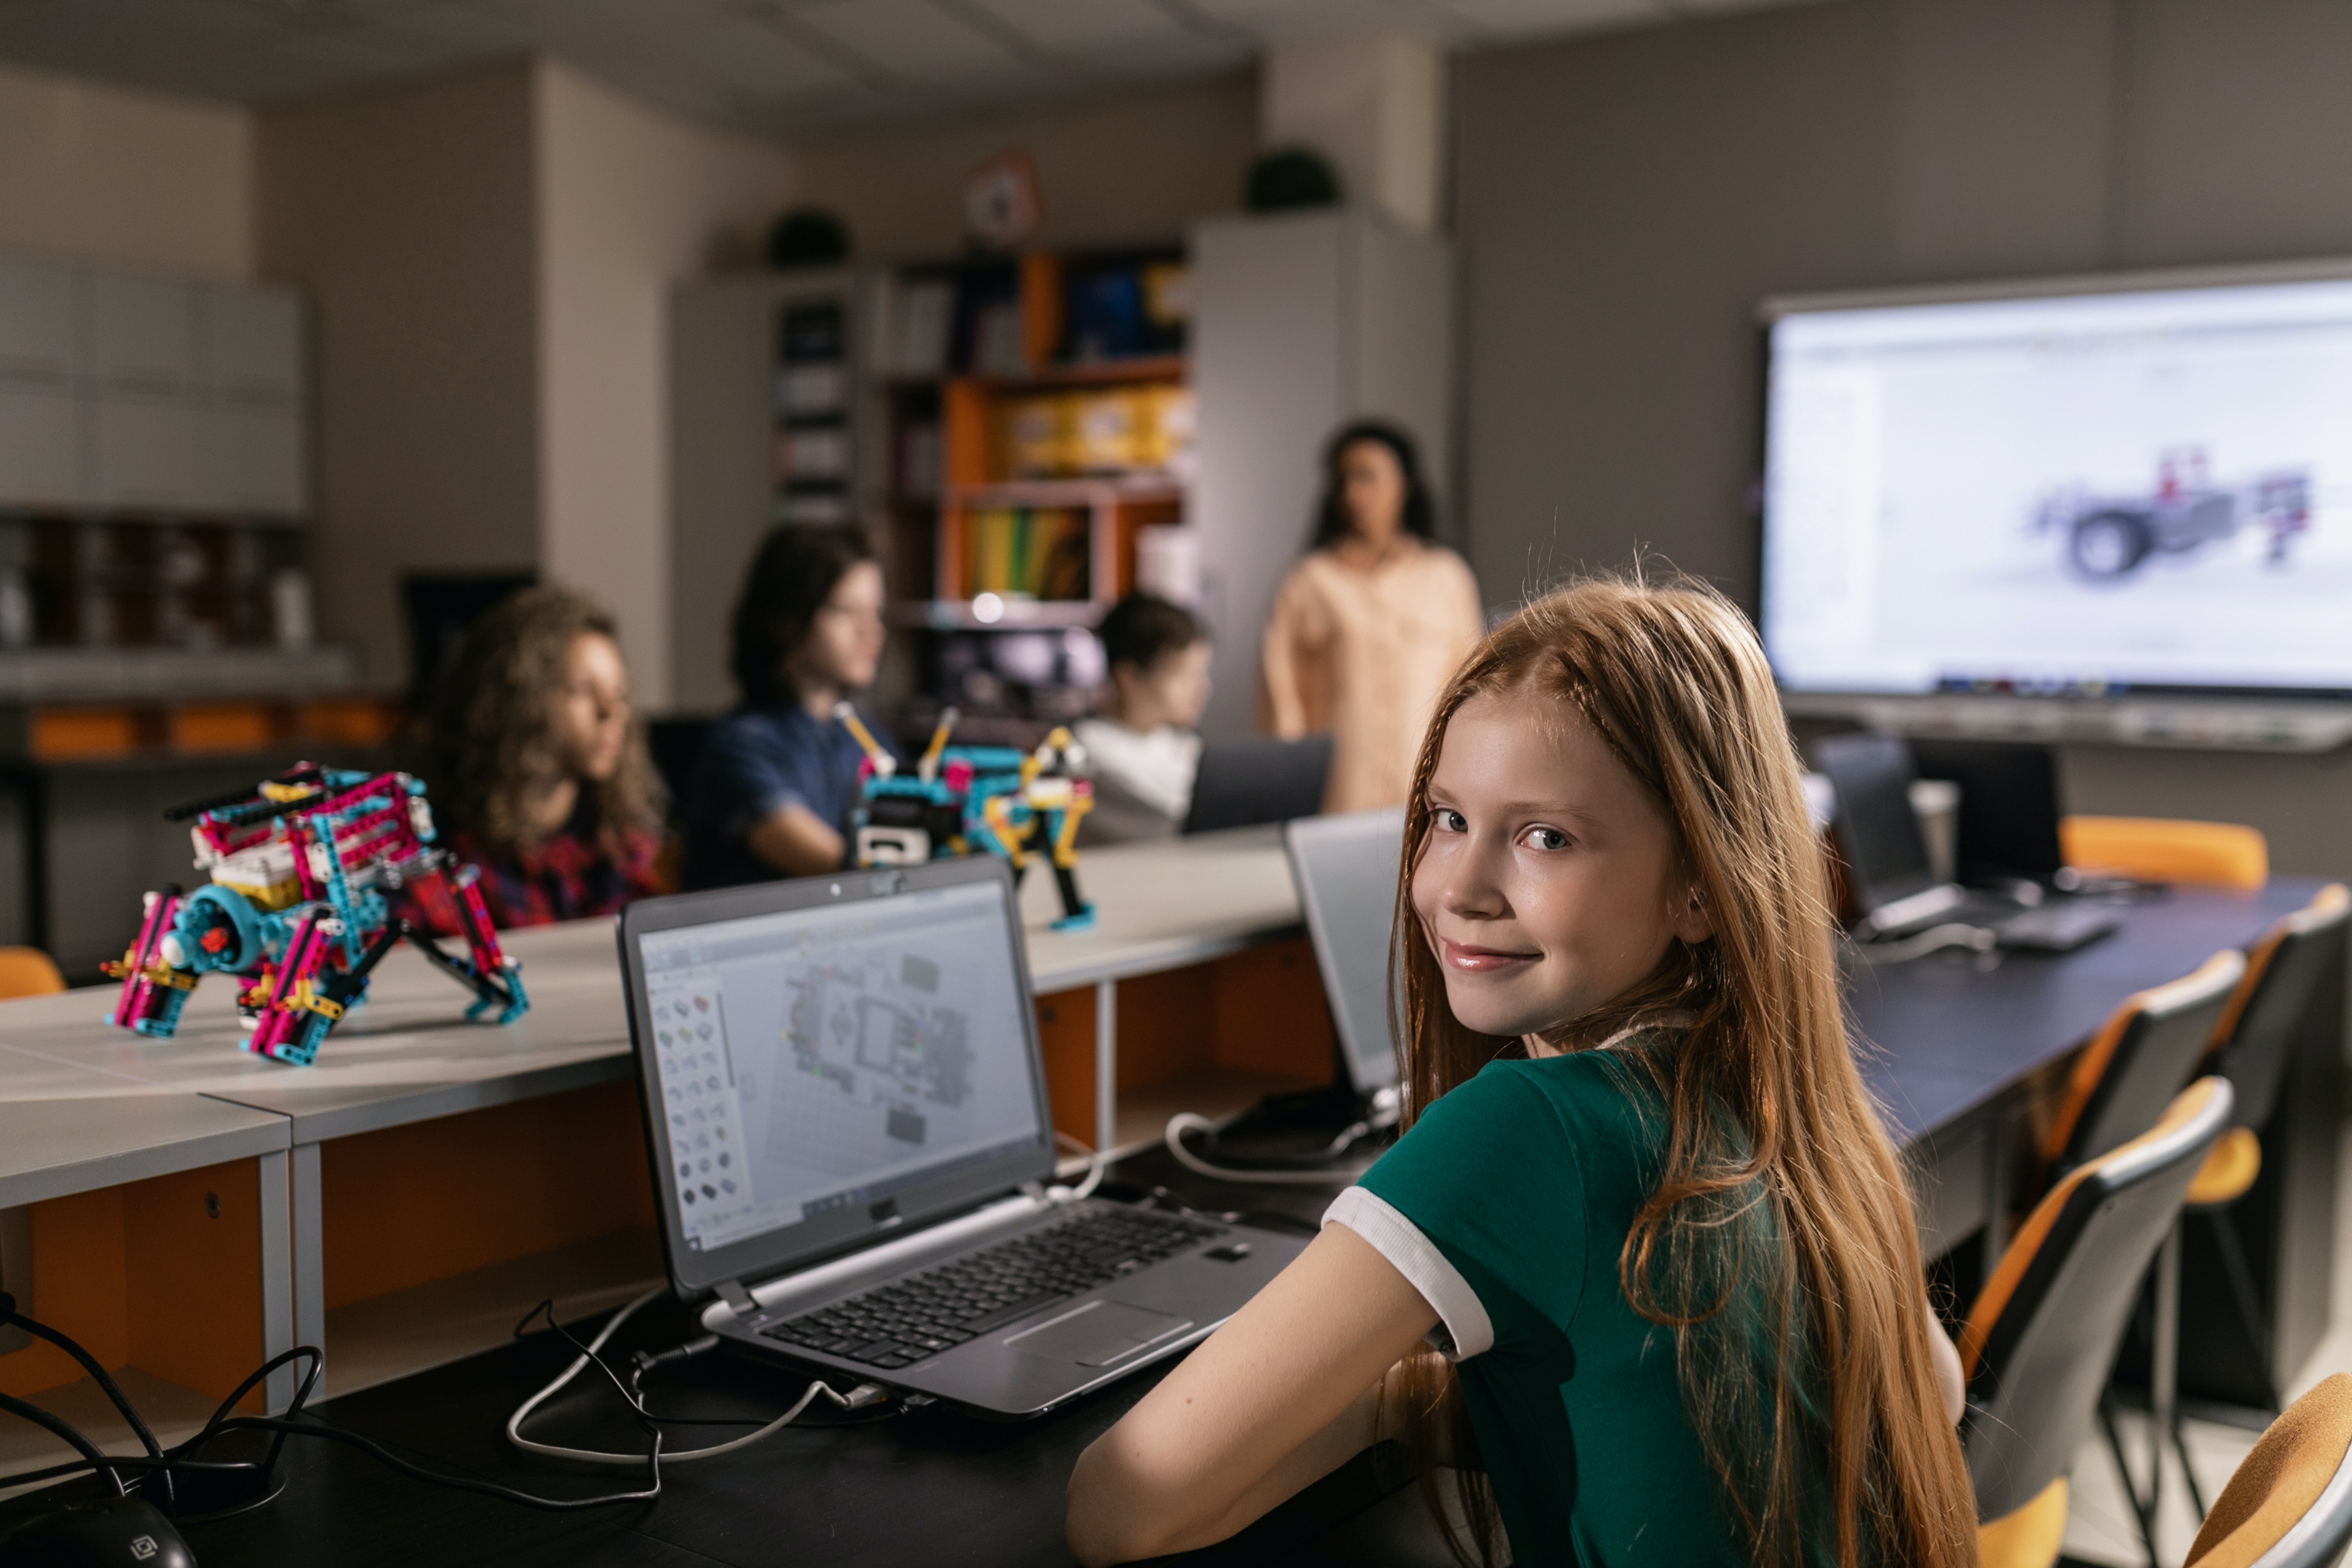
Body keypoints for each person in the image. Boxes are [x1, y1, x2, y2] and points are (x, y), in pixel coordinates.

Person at [1066, 576, 1975, 1568]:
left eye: (1546, 837)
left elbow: (1124, 1505)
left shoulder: (1529, 1126)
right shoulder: (1798, 1114)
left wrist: (1407, 1397)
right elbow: (1937, 1387)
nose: (1459, 887)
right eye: (1447, 817)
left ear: (1702, 889)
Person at [1260, 421, 1486, 814]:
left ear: (1405, 485)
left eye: (1367, 477)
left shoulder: (1446, 578)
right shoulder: (1308, 583)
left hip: (1429, 799)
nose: (1352, 493)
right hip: (1337, 800)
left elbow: (1472, 689)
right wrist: (1287, 792)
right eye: (1342, 479)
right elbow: (1279, 701)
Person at [423, 585, 664, 927]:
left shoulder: (615, 846)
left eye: (619, 691)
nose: (611, 712)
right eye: (583, 690)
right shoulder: (447, 860)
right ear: (520, 699)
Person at [684, 526, 894, 889]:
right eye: (846, 610)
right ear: (788, 618)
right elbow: (835, 866)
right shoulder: (739, 747)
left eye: (875, 611)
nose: (870, 630)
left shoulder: (866, 736)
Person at [1073, 593, 1210, 844]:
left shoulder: (1183, 745)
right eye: (1182, 674)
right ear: (1128, 676)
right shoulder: (1086, 757)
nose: (1201, 688)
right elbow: (1177, 824)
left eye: (1201, 673)